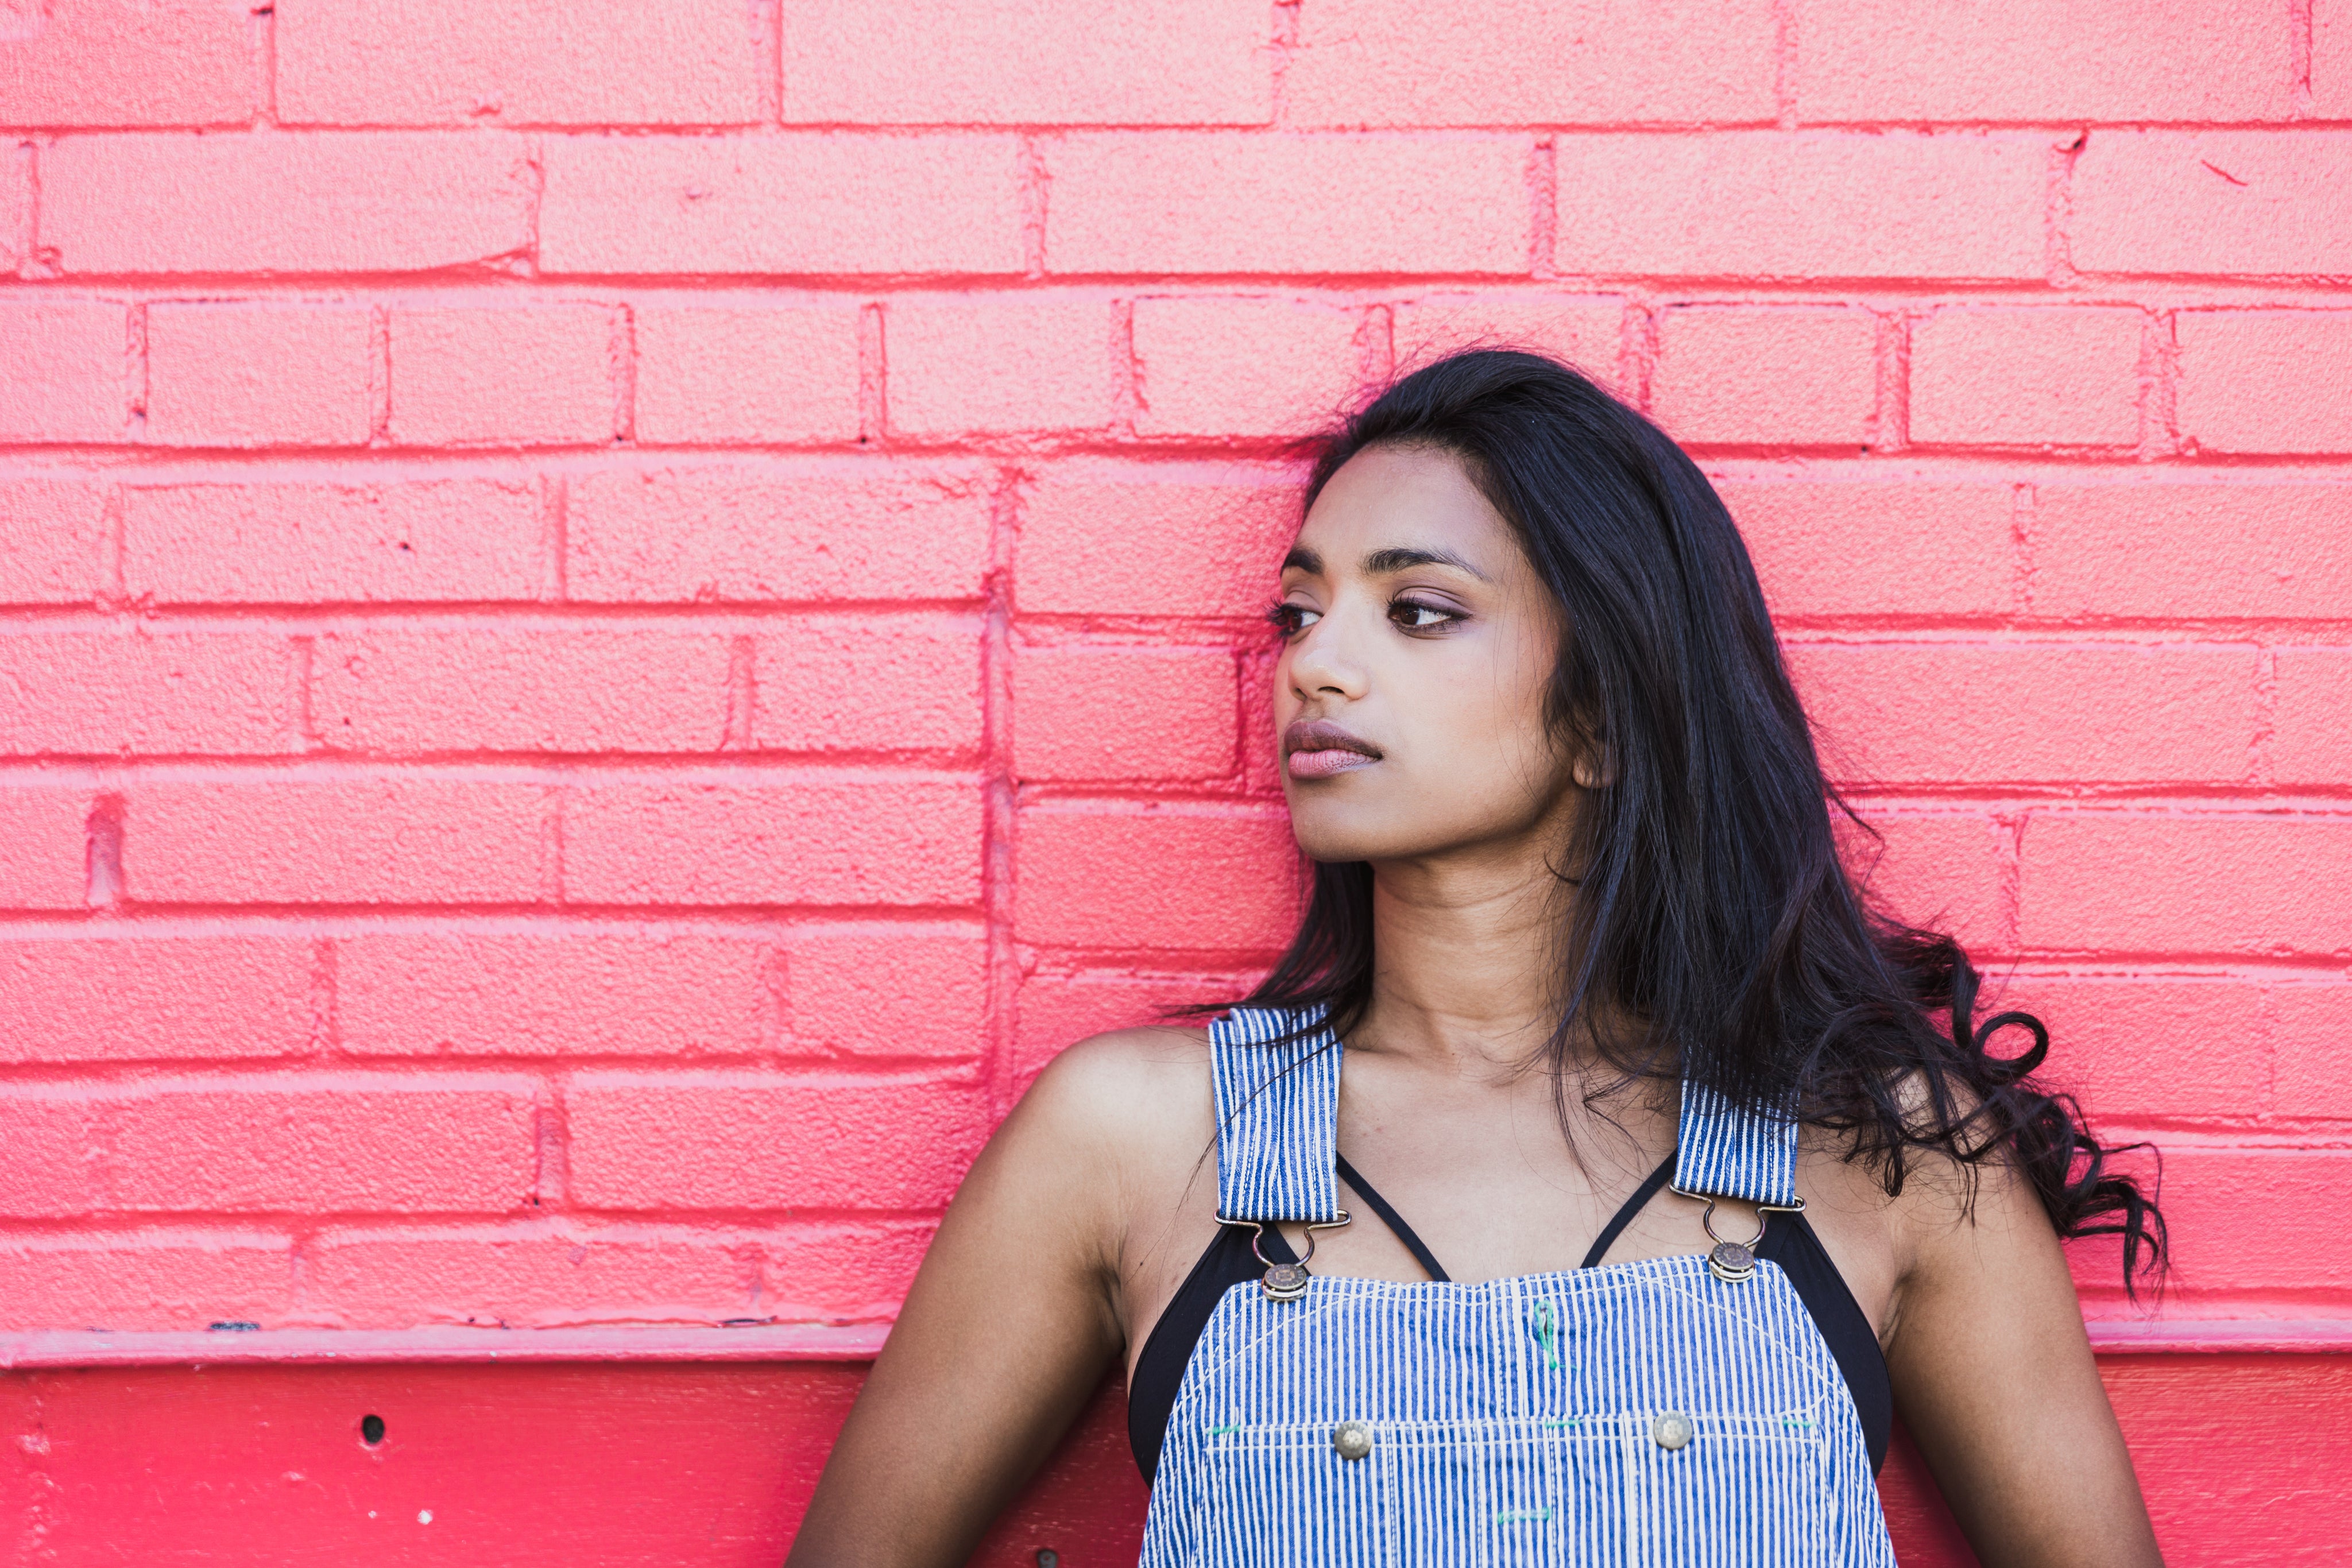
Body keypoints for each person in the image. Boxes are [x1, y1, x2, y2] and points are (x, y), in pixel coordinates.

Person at [787, 349, 2167, 1566]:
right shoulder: (1138, 1138)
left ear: (1604, 717)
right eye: (1298, 612)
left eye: (1418, 611)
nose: (1315, 665)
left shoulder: (1880, 1150)